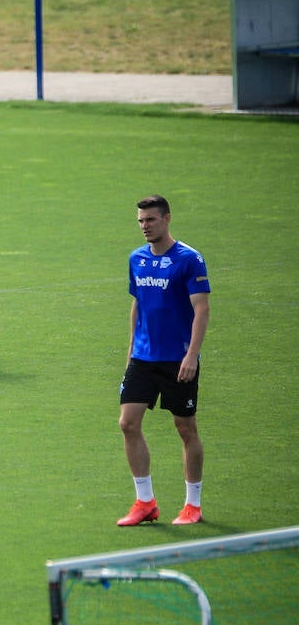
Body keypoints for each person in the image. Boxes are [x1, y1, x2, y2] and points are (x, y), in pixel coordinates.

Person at [116, 196, 211, 527]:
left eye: (151, 220)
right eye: (141, 221)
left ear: (167, 219)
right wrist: (130, 353)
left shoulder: (189, 260)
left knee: (185, 427)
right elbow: (138, 305)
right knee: (128, 423)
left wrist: (191, 355)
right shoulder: (136, 259)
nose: (145, 226)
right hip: (143, 358)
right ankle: (145, 502)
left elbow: (201, 309)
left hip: (177, 360)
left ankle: (193, 505)